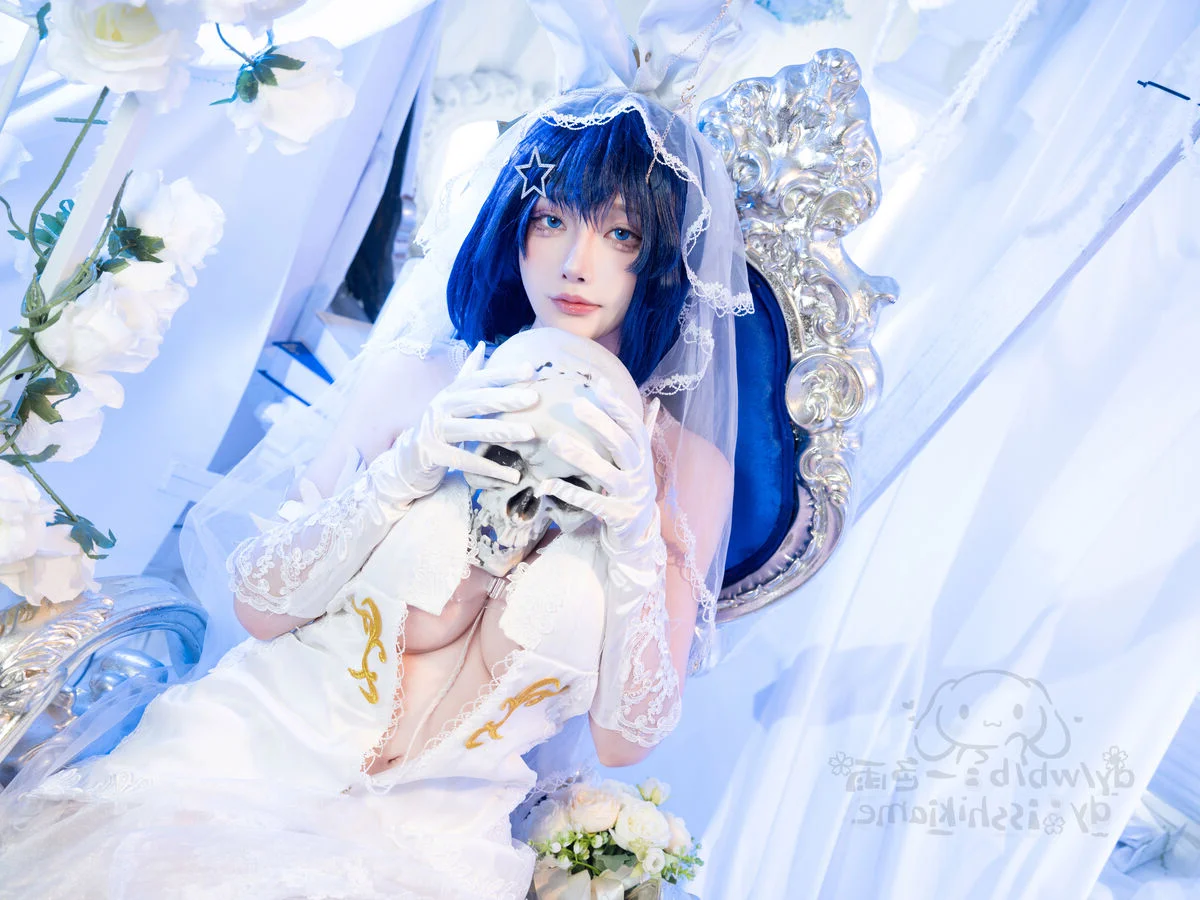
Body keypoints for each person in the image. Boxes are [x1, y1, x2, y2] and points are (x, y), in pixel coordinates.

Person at [0, 86, 750, 900]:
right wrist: (405, 470)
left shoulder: (689, 473)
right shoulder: (416, 381)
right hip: (238, 762)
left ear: (663, 260)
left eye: (621, 234)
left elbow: (624, 741)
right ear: (515, 227)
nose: (577, 262)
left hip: (436, 851)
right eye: (551, 220)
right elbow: (258, 608)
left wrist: (636, 541)